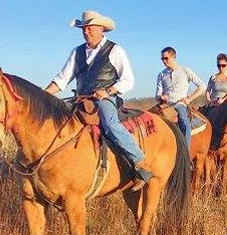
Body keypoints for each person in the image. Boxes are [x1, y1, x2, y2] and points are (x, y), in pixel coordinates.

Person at [45, 10, 152, 191]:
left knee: (110, 124)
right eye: (83, 29)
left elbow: (128, 79)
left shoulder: (115, 50)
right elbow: (62, 79)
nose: (86, 32)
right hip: (81, 98)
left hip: (106, 98)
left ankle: (140, 161)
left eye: (89, 28)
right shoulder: (77, 52)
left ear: (101, 28)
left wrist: (108, 91)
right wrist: (43, 95)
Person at [155, 47, 206, 148]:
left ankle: (185, 153)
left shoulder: (185, 70)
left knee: (185, 124)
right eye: (162, 59)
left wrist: (189, 99)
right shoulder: (161, 75)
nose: (164, 61)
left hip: (179, 104)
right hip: (164, 105)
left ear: (173, 57)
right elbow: (157, 95)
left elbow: (202, 86)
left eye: (166, 58)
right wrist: (161, 97)